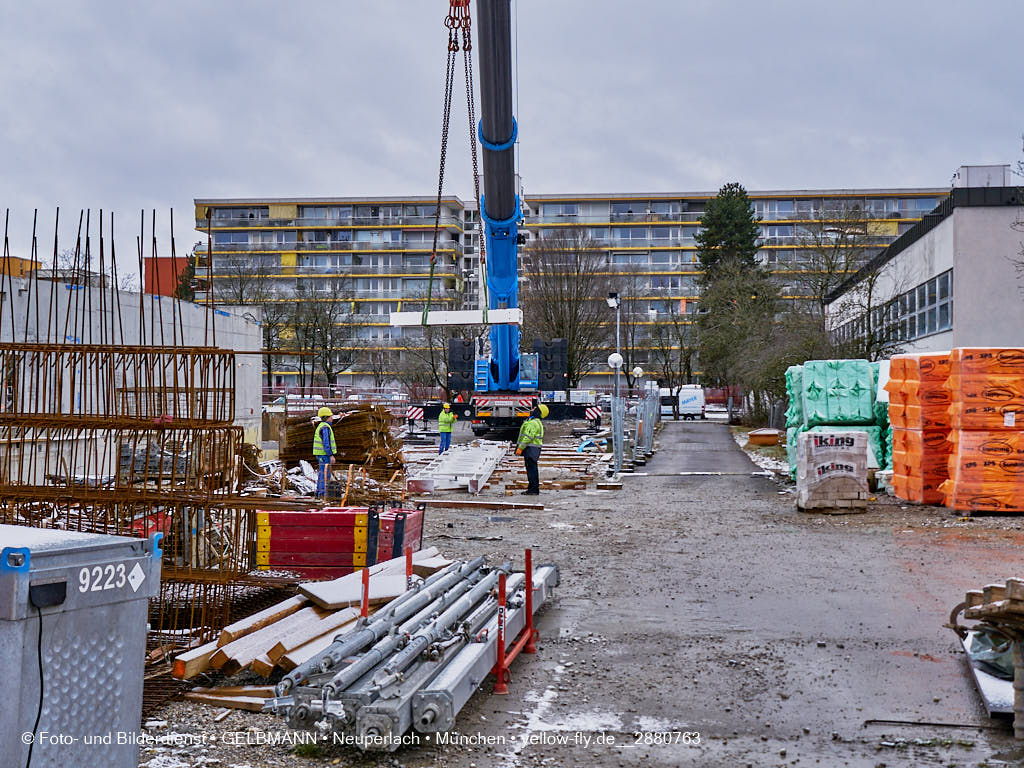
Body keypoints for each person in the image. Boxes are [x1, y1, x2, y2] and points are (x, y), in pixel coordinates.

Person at [516, 403, 548, 495]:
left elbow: (528, 437)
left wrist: (520, 448)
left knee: (531, 469)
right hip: (533, 449)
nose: (532, 409)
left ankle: (533, 489)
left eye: (535, 408)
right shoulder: (534, 421)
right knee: (532, 469)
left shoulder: (533, 423)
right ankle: (532, 488)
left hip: (531, 449)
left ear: (538, 411)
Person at [312, 406, 337, 498]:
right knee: (325, 474)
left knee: (322, 473)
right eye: (330, 416)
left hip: (321, 454)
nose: (332, 418)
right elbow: (326, 443)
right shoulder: (325, 428)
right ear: (326, 417)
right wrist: (330, 455)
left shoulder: (322, 426)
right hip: (324, 455)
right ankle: (322, 494)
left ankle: (319, 493)